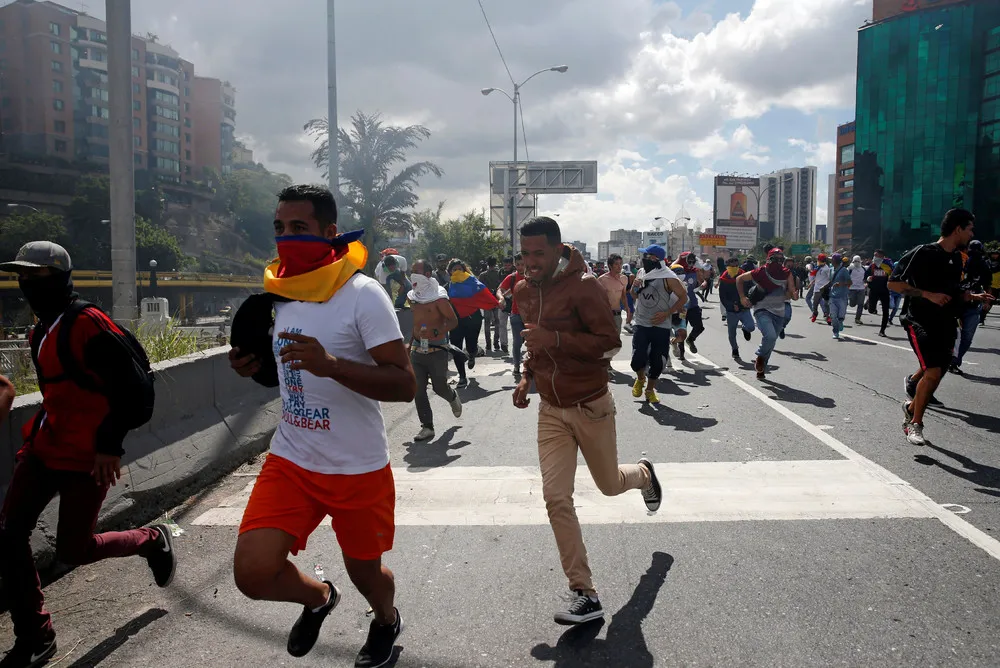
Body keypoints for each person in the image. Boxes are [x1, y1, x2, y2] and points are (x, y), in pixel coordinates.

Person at [227, 185, 415, 666]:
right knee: (252, 573)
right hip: (292, 459)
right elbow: (286, 372)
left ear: (330, 233)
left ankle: (385, 620)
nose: (286, 238)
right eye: (279, 228)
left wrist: (332, 365)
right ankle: (318, 598)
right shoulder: (279, 296)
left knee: (367, 576)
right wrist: (256, 368)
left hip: (357, 468)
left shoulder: (363, 295)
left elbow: (403, 384)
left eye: (300, 228)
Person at [0, 242, 176, 668]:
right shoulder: (40, 330)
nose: (27, 284)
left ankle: (151, 540)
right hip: (44, 449)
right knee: (8, 535)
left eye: (37, 276)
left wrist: (108, 445)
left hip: (86, 457)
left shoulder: (87, 324)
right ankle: (36, 635)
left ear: (60, 277)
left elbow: (138, 391)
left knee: (74, 551)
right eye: (22, 276)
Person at [512, 216, 662, 626]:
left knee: (610, 486)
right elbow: (533, 343)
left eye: (538, 253)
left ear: (560, 250)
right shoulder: (523, 290)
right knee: (556, 498)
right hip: (551, 412)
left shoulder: (584, 287)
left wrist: (555, 339)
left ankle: (644, 475)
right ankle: (584, 592)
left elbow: (609, 343)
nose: (530, 262)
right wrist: (527, 376)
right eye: (525, 253)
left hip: (591, 405)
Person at [890, 208, 993, 446]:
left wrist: (973, 296)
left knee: (935, 375)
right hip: (919, 321)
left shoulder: (957, 258)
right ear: (958, 229)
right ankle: (915, 424)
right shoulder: (923, 252)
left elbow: (951, 291)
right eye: (969, 229)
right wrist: (927, 294)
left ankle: (910, 407)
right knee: (933, 371)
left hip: (946, 322)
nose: (972, 233)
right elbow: (893, 283)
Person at [407, 260, 462, 442]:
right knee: (418, 389)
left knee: (439, 387)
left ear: (428, 274)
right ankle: (427, 427)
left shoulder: (439, 298)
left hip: (437, 350)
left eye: (417, 271)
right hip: (417, 349)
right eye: (412, 271)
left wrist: (438, 332)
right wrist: (410, 345)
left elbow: (453, 321)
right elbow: (415, 323)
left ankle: (452, 396)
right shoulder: (412, 297)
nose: (413, 274)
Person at [629, 245, 686, 403]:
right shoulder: (641, 273)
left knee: (658, 361)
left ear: (655, 258)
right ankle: (640, 379)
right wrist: (634, 287)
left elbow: (683, 297)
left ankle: (649, 390)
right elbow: (634, 295)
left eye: (646, 255)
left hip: (661, 326)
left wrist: (667, 313)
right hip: (641, 322)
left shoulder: (669, 277)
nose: (643, 258)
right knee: (637, 359)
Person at [736, 247, 795, 379]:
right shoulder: (760, 271)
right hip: (762, 309)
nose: (778, 262)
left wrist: (793, 294)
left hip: (779, 311)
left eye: (781, 259)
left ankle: (761, 367)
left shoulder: (787, 273)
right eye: (775, 259)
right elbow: (739, 279)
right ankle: (760, 357)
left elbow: (791, 292)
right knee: (770, 336)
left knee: (772, 341)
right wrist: (742, 297)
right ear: (769, 259)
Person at [447, 260, 499, 387]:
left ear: (465, 271)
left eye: (460, 269)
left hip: (473, 320)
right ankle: (462, 377)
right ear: (450, 272)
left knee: (471, 347)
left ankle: (472, 354)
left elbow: (484, 295)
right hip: (455, 322)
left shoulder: (473, 283)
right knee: (456, 349)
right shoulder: (446, 287)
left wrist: (496, 303)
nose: (457, 271)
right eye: (454, 269)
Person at [949, 240, 992, 375]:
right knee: (956, 335)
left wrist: (986, 301)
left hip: (973, 306)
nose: (974, 254)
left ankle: (954, 362)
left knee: (967, 337)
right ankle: (949, 360)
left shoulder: (984, 266)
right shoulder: (958, 261)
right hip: (956, 304)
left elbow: (987, 285)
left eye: (977, 251)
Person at [718, 257, 755, 361]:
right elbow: (722, 297)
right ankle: (735, 349)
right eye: (732, 266)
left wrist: (748, 301)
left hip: (744, 309)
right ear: (727, 267)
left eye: (736, 266)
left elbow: (751, 290)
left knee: (751, 326)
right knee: (732, 334)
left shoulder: (744, 276)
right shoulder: (724, 279)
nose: (734, 268)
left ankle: (745, 329)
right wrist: (730, 306)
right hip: (731, 311)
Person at [498, 254, 526, 379]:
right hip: (516, 314)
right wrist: (502, 298)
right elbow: (500, 289)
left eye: (523, 264)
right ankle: (516, 366)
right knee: (517, 342)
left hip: (532, 316)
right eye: (518, 264)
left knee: (533, 342)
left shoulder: (535, 276)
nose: (520, 267)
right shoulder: (512, 277)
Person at [597, 253, 629, 333]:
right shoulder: (602, 279)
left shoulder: (624, 279)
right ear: (610, 266)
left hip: (617, 314)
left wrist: (627, 309)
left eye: (620, 263)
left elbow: (623, 296)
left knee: (616, 342)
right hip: (604, 315)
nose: (619, 266)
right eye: (616, 264)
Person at [866, 250, 894, 337]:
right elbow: (866, 275)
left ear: (882, 256)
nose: (874, 257)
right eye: (874, 255)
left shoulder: (888, 265)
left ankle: (882, 330)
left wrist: (890, 280)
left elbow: (893, 275)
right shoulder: (872, 265)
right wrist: (868, 278)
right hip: (873, 290)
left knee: (886, 311)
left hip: (884, 291)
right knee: (871, 310)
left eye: (876, 256)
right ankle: (869, 304)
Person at [478, 257, 503, 353]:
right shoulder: (498, 274)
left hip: (486, 301)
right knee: (497, 322)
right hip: (496, 300)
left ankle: (488, 344)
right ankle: (496, 342)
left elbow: (479, 288)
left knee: (487, 322)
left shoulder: (482, 275)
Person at [827, 253, 853, 339]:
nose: (831, 261)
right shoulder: (831, 270)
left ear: (835, 261)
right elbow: (830, 282)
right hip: (832, 296)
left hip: (842, 296)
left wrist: (841, 284)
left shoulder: (844, 270)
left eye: (832, 260)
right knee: (833, 315)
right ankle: (835, 331)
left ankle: (841, 321)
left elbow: (850, 282)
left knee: (840, 316)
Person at [809, 253, 832, 324]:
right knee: (815, 303)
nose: (819, 261)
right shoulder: (817, 267)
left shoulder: (827, 269)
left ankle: (828, 317)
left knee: (826, 304)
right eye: (819, 260)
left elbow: (830, 279)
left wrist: (827, 286)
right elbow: (816, 276)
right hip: (817, 288)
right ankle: (815, 314)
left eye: (821, 260)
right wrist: (812, 282)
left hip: (825, 289)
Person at [980, 247, 1000, 324]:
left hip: (998, 284)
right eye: (993, 254)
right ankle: (982, 317)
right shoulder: (987, 262)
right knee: (988, 301)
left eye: (997, 254)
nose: (995, 255)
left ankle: (982, 315)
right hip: (989, 284)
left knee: (992, 302)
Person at [849, 255, 867, 324]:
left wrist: (866, 282)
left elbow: (866, 278)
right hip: (852, 289)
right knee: (852, 304)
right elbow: (846, 277)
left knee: (860, 304)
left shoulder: (864, 269)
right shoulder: (850, 269)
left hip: (861, 289)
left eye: (858, 261)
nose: (856, 262)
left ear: (860, 261)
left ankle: (857, 318)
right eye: (855, 261)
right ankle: (854, 301)